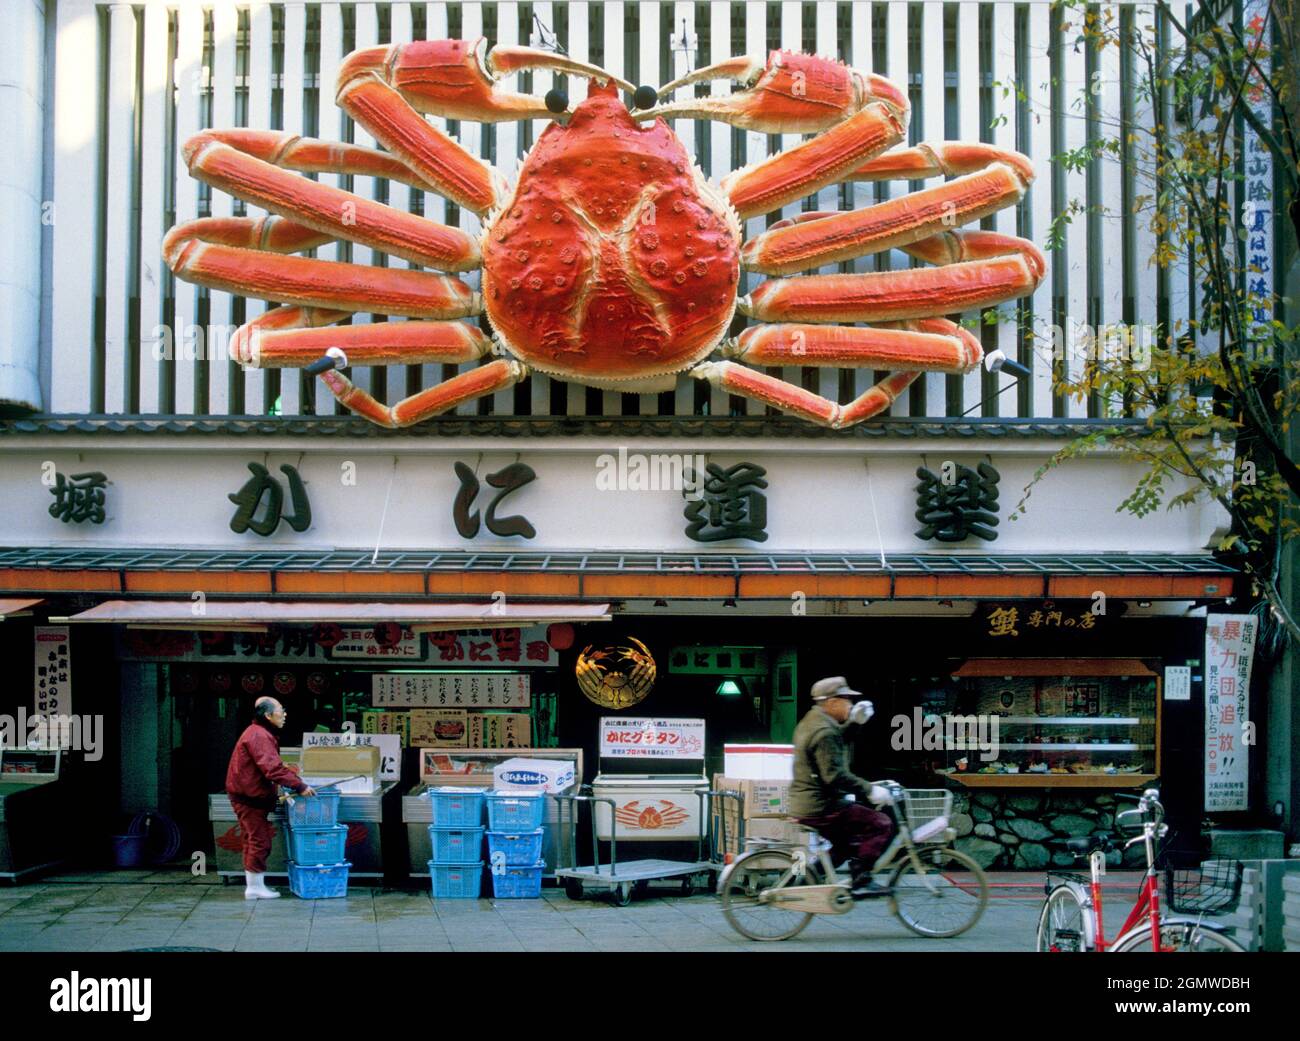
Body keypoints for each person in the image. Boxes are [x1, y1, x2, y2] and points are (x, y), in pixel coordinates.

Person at [789, 676, 896, 899]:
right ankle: (862, 880)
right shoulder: (824, 731)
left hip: (809, 802)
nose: (850, 704)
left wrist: (854, 722)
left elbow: (834, 742)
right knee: (881, 823)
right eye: (846, 699)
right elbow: (835, 775)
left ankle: (808, 877)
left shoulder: (813, 720)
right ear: (831, 702)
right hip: (821, 804)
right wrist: (869, 790)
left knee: (846, 845)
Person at [225, 696, 315, 899]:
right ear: (268, 715)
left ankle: (254, 886)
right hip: (249, 797)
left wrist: (291, 779)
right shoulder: (259, 736)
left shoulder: (258, 732)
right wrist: (300, 785)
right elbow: (272, 769)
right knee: (259, 840)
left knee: (252, 839)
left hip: (247, 795)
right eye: (280, 710)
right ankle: (255, 887)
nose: (284, 714)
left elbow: (272, 768)